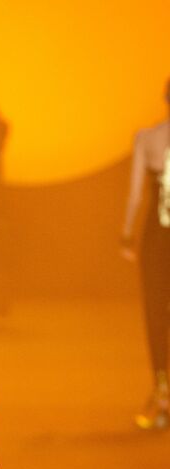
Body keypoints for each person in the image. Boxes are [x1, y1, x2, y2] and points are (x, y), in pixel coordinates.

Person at [120, 78, 170, 430]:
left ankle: (163, 392)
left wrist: (126, 236)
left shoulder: (148, 138)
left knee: (156, 311)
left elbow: (136, 195)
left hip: (157, 238)